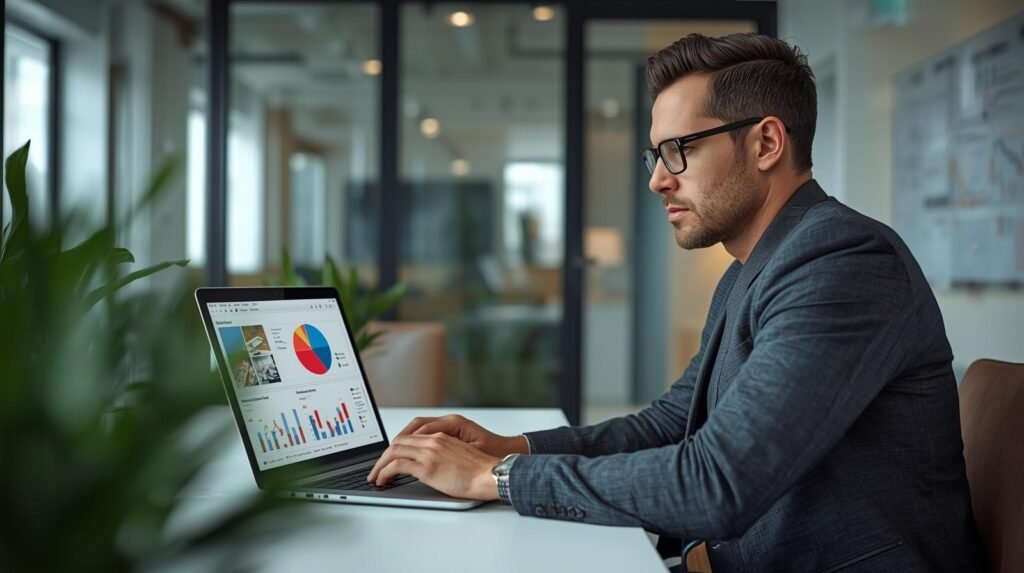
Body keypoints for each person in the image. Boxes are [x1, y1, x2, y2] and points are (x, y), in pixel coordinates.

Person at [366, 33, 986, 572]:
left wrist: (491, 480)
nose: (658, 178)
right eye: (655, 153)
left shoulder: (842, 262)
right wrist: (508, 448)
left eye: (678, 149)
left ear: (766, 143)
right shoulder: (758, 265)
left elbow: (717, 482)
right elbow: (668, 425)